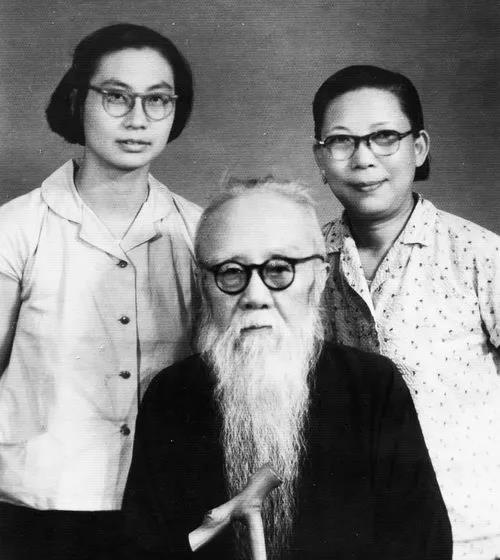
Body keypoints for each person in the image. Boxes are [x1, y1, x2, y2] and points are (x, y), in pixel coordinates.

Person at [123, 178, 452, 560]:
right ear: (203, 284)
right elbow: (144, 548)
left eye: (279, 269)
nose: (255, 296)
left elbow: (423, 544)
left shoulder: (372, 386)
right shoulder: (171, 395)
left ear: (319, 278)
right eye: (230, 271)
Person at [0, 23, 201, 559]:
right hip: (35, 510)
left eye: (158, 99)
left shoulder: (200, 232)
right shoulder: (15, 229)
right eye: (116, 96)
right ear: (77, 99)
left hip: (165, 507)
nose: (138, 118)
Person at [312, 65, 500, 560]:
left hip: (472, 532)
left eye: (384, 137)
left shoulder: (480, 255)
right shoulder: (304, 261)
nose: (363, 158)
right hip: (354, 533)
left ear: (418, 147)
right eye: (341, 141)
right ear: (320, 157)